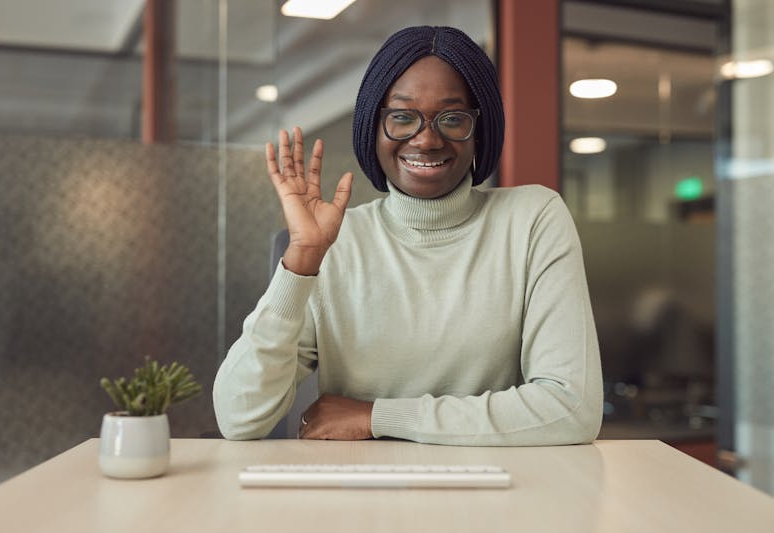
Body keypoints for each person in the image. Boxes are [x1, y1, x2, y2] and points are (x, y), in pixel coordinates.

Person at [213, 26, 603, 445]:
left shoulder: (532, 220)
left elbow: (571, 407)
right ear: (374, 127)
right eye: (401, 117)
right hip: (358, 482)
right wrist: (302, 260)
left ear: (479, 130)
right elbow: (239, 417)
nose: (427, 139)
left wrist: (377, 417)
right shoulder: (334, 243)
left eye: (452, 118)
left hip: (491, 481)